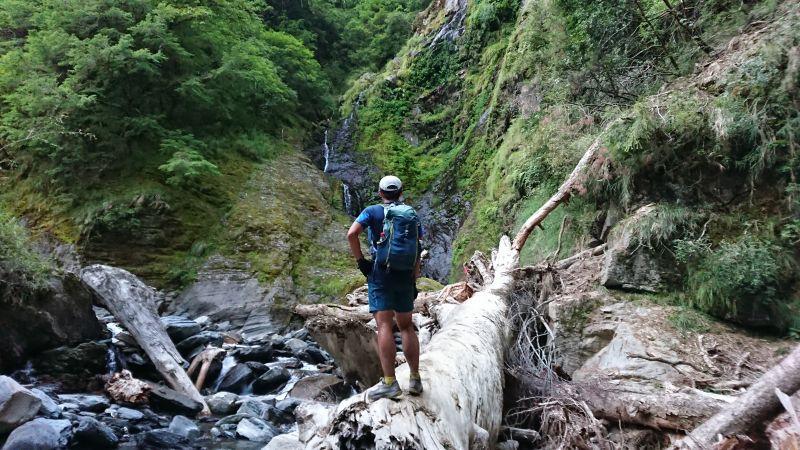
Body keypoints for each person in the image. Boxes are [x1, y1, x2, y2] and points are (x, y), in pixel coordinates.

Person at [346, 175, 423, 401]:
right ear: (401, 192)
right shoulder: (411, 214)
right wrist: (414, 274)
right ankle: (416, 379)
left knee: (384, 326)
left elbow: (352, 234)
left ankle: (390, 383)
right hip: (405, 275)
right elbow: (418, 245)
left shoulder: (372, 211)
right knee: (407, 326)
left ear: (380, 193)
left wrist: (361, 262)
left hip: (381, 273)